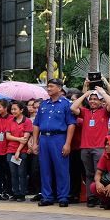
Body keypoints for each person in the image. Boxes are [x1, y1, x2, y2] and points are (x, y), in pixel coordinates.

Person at [71, 84, 110, 207]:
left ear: (101, 101)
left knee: (100, 173)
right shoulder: (85, 112)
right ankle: (91, 197)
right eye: (91, 99)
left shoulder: (104, 111)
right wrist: (85, 94)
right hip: (85, 147)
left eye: (95, 99)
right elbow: (73, 107)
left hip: (100, 147)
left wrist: (103, 92)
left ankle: (102, 197)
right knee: (89, 174)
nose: (92, 101)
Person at [35, 79, 76, 207]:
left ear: (59, 88)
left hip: (59, 138)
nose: (48, 88)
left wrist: (67, 143)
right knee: (45, 169)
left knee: (61, 169)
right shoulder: (43, 104)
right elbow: (36, 124)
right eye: (48, 86)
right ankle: (47, 196)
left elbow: (71, 124)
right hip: (44, 139)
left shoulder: (66, 104)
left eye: (51, 86)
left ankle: (63, 197)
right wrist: (35, 142)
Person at [5, 101, 33, 201]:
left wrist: (18, 151)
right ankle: (15, 193)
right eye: (12, 109)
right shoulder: (10, 121)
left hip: (22, 151)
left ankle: (22, 194)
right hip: (10, 150)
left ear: (21, 110)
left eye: (15, 109)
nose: (13, 111)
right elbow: (7, 136)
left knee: (22, 173)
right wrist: (18, 139)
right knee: (13, 173)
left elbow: (25, 139)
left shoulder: (27, 121)